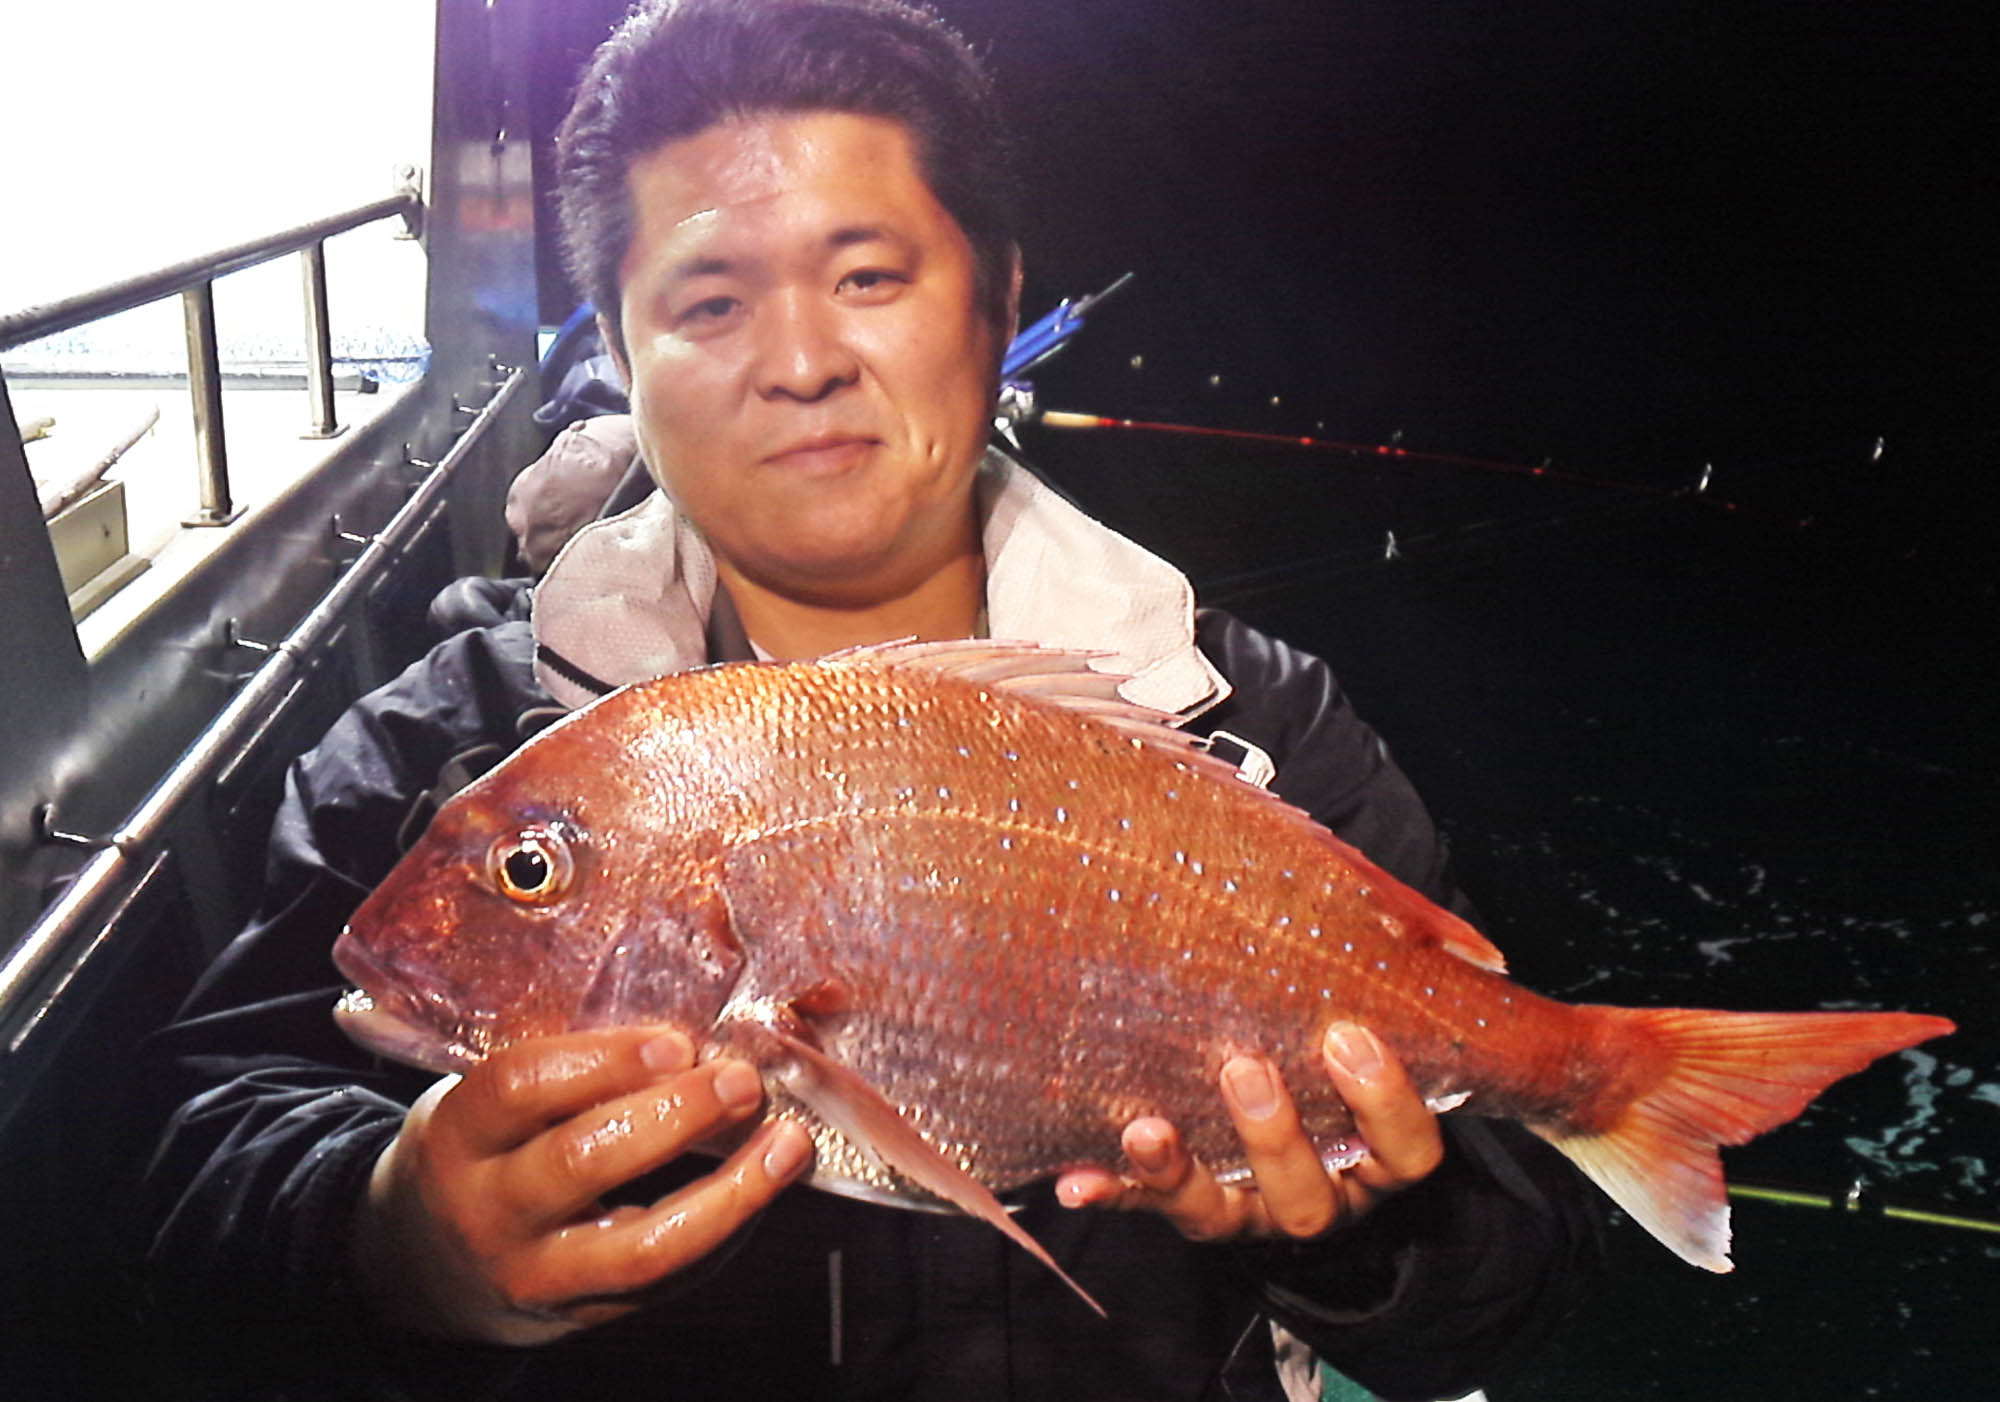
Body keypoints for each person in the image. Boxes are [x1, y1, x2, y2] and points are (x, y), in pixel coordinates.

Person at [138, 2, 1599, 1398]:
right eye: (711, 301)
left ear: (1001, 296)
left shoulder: (1251, 728)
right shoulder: (441, 745)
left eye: (869, 278)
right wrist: (388, 1238)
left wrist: (1354, 1242)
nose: (800, 364)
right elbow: (192, 1186)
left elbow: (1516, 1284)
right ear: (620, 354)